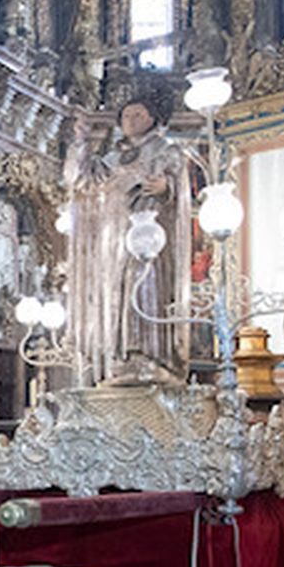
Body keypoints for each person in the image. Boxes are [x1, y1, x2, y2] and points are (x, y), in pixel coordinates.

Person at [63, 87, 193, 384]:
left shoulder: (165, 151)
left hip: (148, 235)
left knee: (146, 287)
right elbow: (80, 180)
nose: (130, 120)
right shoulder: (111, 158)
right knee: (115, 293)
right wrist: (81, 141)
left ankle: (147, 354)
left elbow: (178, 186)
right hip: (112, 238)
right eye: (125, 115)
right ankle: (119, 356)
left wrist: (167, 188)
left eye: (138, 114)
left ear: (153, 117)